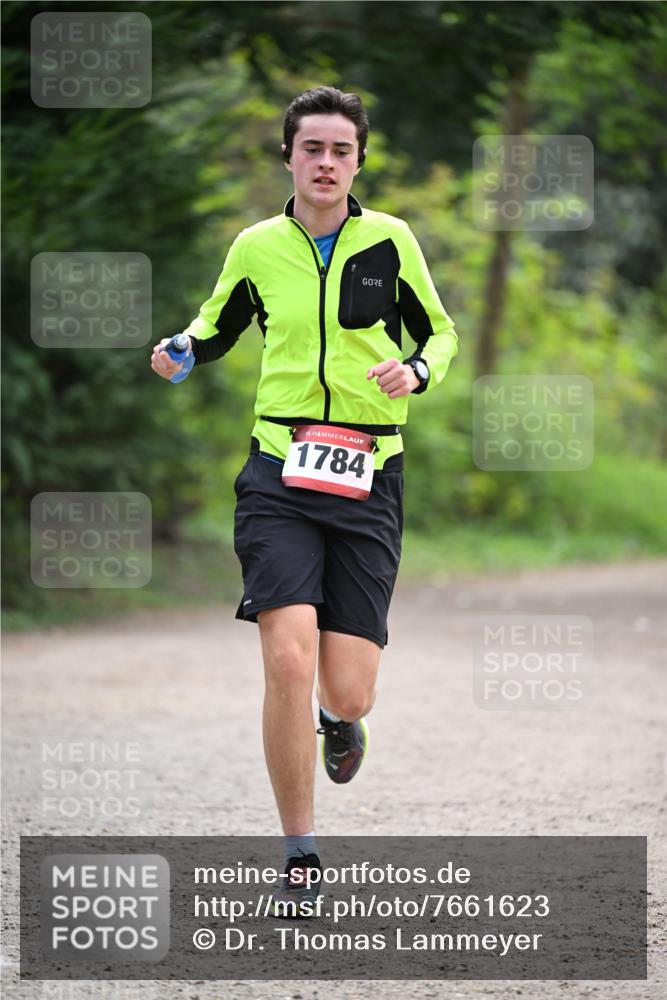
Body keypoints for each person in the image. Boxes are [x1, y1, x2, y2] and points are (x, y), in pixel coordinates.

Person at [151, 86, 457, 915]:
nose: (325, 163)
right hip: (280, 471)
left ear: (358, 162)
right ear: (287, 155)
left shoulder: (391, 241)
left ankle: (341, 720)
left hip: (367, 475)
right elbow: (214, 328)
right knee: (287, 657)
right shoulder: (256, 247)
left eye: (340, 151)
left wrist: (417, 370)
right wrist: (180, 349)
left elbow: (439, 331)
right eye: (311, 148)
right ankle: (299, 851)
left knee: (348, 688)